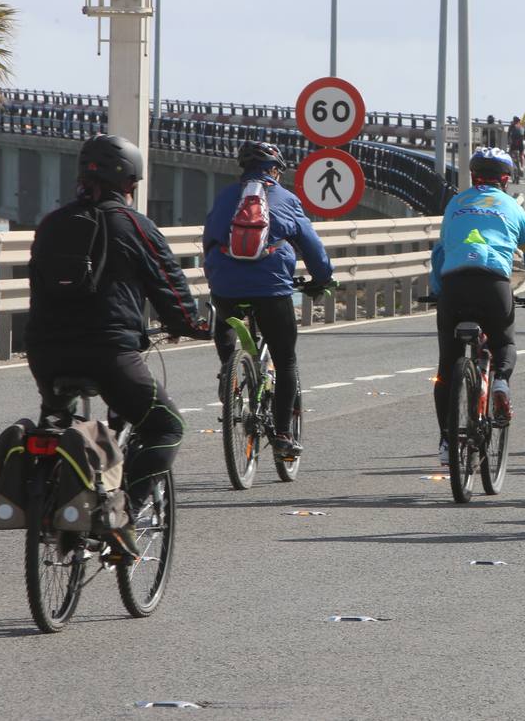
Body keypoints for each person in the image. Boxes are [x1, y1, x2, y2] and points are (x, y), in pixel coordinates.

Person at [27, 134, 210, 554]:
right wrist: (191, 323)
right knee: (166, 426)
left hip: (44, 351)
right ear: (131, 181)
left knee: (56, 423)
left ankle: (55, 505)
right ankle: (121, 515)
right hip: (109, 353)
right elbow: (168, 284)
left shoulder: (52, 222)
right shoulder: (134, 225)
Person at [204, 141, 336, 457]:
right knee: (285, 358)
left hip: (226, 286)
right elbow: (313, 248)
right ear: (275, 170)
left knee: (224, 321)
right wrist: (322, 279)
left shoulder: (224, 198)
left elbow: (208, 241)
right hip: (271, 288)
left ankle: (229, 373)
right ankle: (282, 435)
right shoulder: (287, 199)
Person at [430, 148, 525, 463]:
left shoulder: (456, 203)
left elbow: (440, 253)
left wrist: (437, 289)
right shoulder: (512, 207)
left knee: (446, 369)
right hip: (494, 285)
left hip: (454, 286)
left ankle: (448, 442)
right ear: (506, 178)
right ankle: (500, 380)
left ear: (474, 176)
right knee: (503, 341)